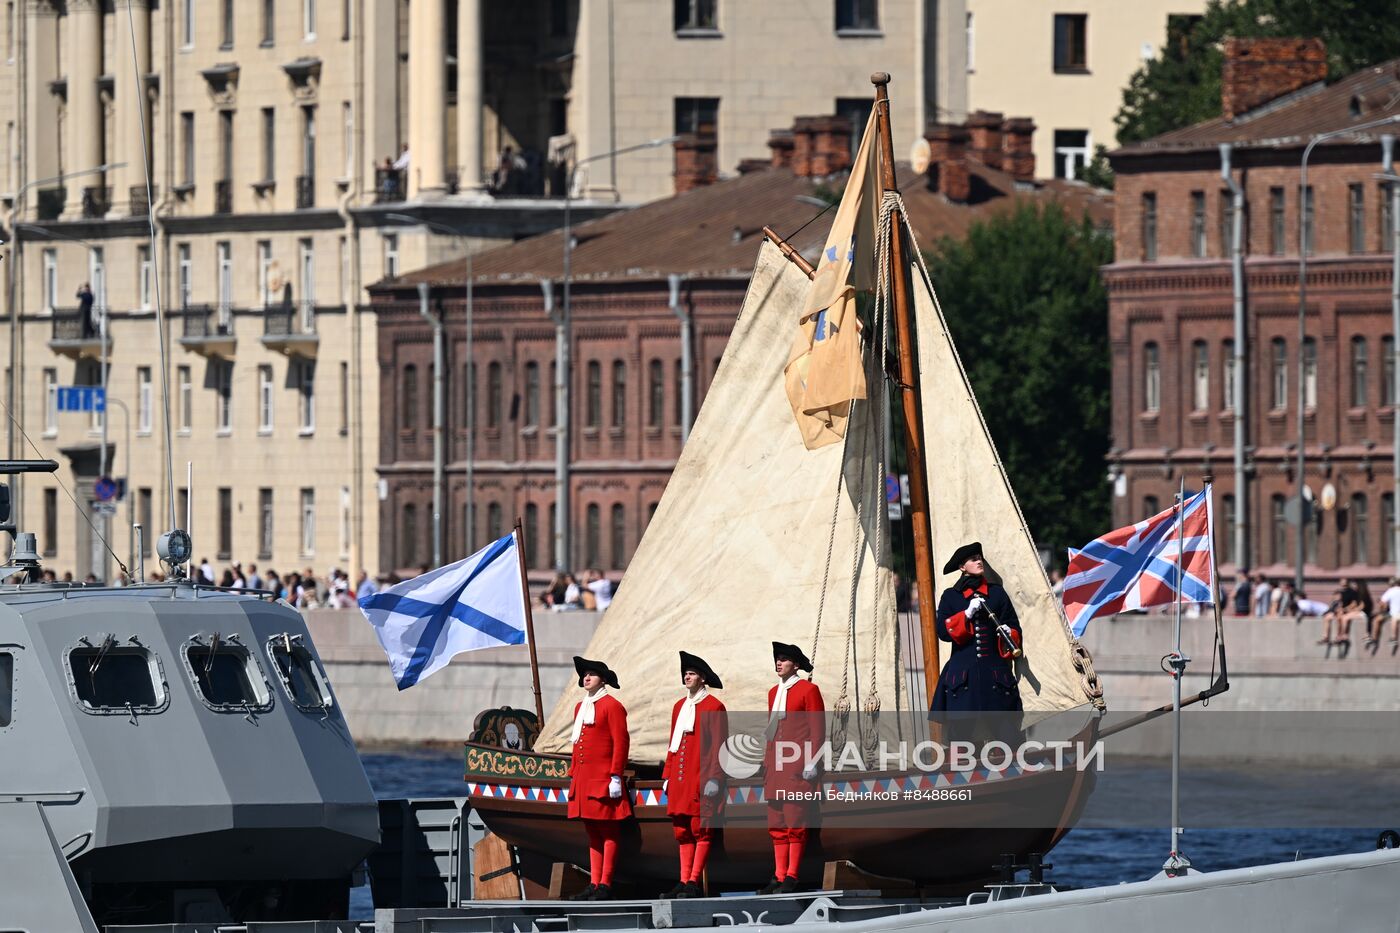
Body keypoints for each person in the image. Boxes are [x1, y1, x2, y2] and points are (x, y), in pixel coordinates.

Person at [929, 542, 1023, 717]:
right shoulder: (951, 596)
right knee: (964, 739)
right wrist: (966, 614)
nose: (979, 562)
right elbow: (942, 632)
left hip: (996, 677)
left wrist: (1010, 633)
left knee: (1002, 738)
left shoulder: (997, 593)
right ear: (962, 567)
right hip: (963, 679)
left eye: (980, 558)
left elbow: (1014, 625)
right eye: (973, 559)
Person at [662, 652, 727, 899]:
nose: (686, 677)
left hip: (700, 776)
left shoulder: (714, 706)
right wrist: (667, 773)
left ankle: (693, 881)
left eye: (691, 673)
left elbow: (719, 747)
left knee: (701, 828)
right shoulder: (679, 706)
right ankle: (683, 879)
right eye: (685, 674)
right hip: (679, 777)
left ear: (702, 678)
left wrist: (714, 778)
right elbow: (673, 743)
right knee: (682, 830)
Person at [761, 641, 824, 895]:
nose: (779, 662)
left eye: (784, 659)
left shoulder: (809, 690)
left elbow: (818, 730)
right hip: (775, 769)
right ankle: (778, 875)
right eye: (777, 658)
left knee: (795, 822)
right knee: (776, 824)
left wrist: (812, 761)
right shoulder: (772, 693)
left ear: (795, 664)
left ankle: (792, 875)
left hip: (797, 767)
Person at [566, 656, 631, 901]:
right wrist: (573, 774)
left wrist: (615, 775)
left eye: (591, 674)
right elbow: (578, 746)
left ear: (602, 679)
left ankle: (605, 884)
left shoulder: (612, 706)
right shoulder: (580, 707)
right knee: (592, 832)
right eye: (584, 675)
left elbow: (621, 742)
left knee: (609, 832)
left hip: (603, 779)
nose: (586, 678)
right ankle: (594, 883)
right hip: (584, 779)